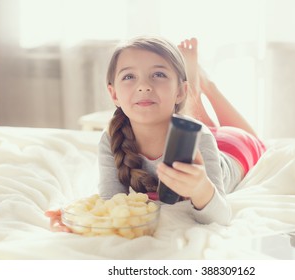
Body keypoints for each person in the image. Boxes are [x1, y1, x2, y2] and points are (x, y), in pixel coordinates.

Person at [45, 36, 265, 231]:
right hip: (191, 129)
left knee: (250, 138)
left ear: (179, 91)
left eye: (158, 74)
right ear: (114, 94)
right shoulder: (111, 138)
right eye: (129, 77)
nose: (143, 86)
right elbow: (111, 202)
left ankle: (206, 86)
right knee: (202, 125)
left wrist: (200, 189)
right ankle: (196, 88)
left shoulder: (200, 137)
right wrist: (77, 217)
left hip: (233, 150)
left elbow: (221, 217)